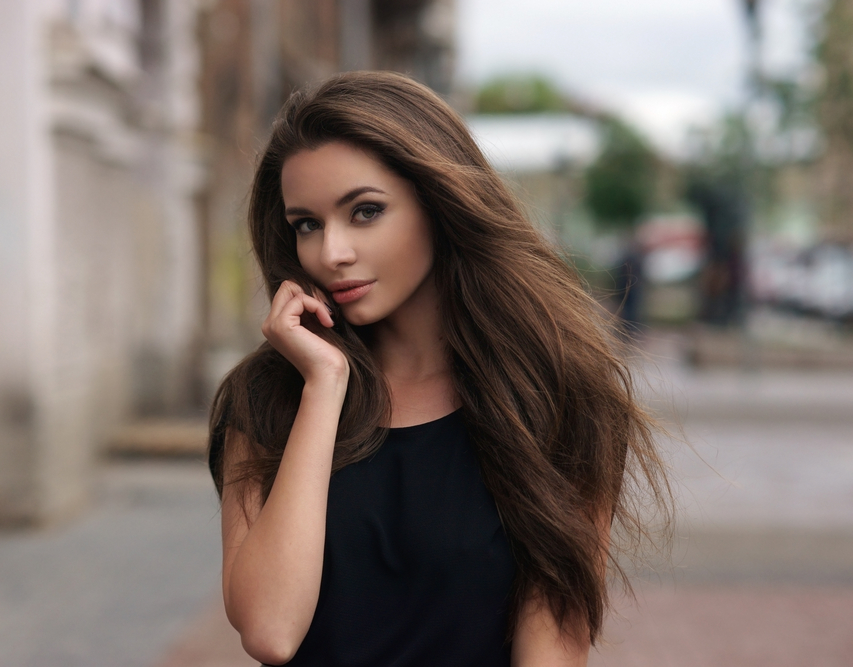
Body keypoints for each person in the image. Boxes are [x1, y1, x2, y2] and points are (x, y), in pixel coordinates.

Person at [207, 71, 670, 666]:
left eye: (366, 212)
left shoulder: (555, 397)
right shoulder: (266, 398)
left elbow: (551, 651)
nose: (331, 253)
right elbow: (270, 631)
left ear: (437, 203)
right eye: (307, 224)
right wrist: (324, 388)